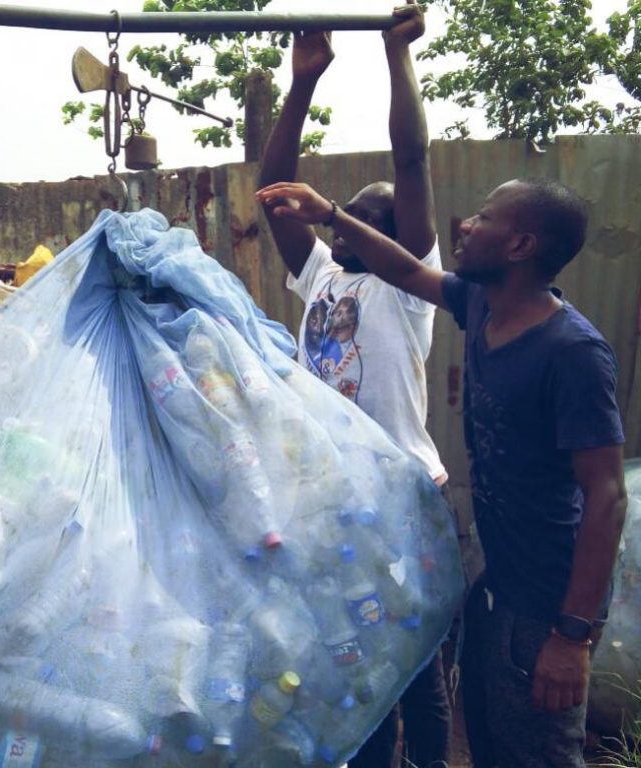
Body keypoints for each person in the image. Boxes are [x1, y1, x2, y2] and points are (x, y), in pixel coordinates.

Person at [255, 176, 628, 767]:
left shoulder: (571, 352)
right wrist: (327, 214)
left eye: (484, 218)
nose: (465, 226)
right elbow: (402, 270)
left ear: (520, 245)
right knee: (489, 743)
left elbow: (606, 497)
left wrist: (571, 635)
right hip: (495, 584)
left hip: (545, 605)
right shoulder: (480, 304)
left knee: (540, 754)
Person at [257, 4, 452, 766]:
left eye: (372, 217)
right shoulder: (323, 283)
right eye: (349, 217)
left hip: (402, 500)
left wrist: (395, 57)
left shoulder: (411, 292)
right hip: (336, 505)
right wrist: (302, 82)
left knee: (418, 677)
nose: (349, 226)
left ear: (400, 234)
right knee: (353, 667)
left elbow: (411, 166)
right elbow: (275, 189)